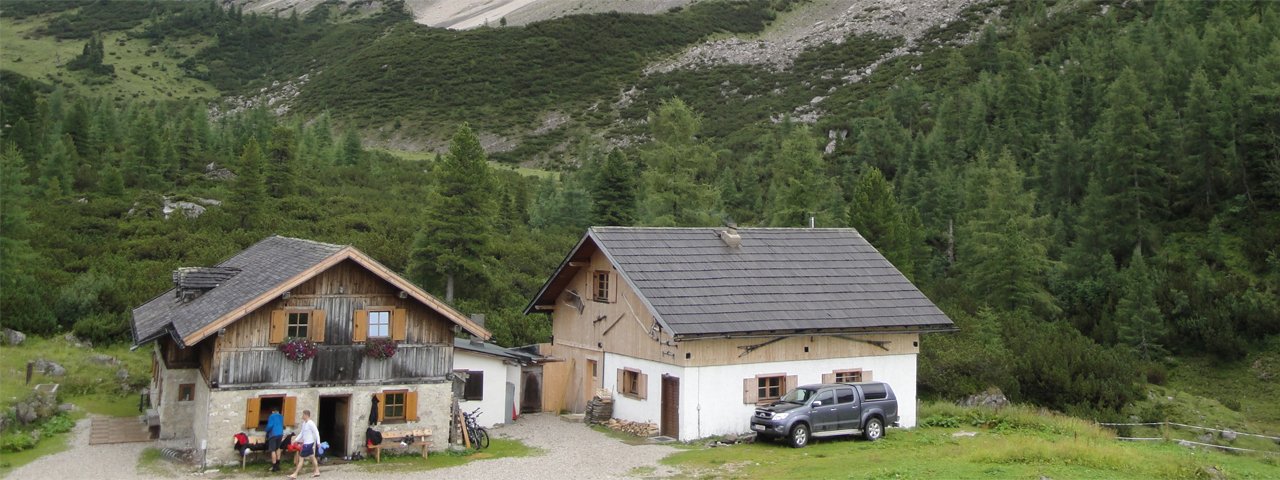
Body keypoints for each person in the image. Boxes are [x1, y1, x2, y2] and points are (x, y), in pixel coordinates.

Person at [289, 409, 321, 479]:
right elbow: (302, 433)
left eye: (303, 415)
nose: (302, 416)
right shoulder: (304, 423)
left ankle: (295, 474)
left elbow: (316, 432)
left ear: (306, 415)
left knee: (301, 458)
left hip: (308, 444)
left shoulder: (311, 423)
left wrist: (318, 442)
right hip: (307, 443)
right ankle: (317, 471)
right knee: (312, 457)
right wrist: (295, 440)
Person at [265, 408, 285, 472]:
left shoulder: (272, 416)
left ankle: (274, 467)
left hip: (273, 434)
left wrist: (266, 430)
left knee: (273, 450)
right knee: (278, 448)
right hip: (280, 434)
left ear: (273, 411)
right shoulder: (281, 416)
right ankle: (278, 464)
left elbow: (270, 426)